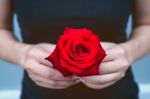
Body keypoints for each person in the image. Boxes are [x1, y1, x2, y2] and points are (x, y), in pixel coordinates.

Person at [0, 0, 150, 99]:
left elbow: (146, 24)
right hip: (38, 94)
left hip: (118, 93)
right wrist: (23, 54)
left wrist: (128, 52)